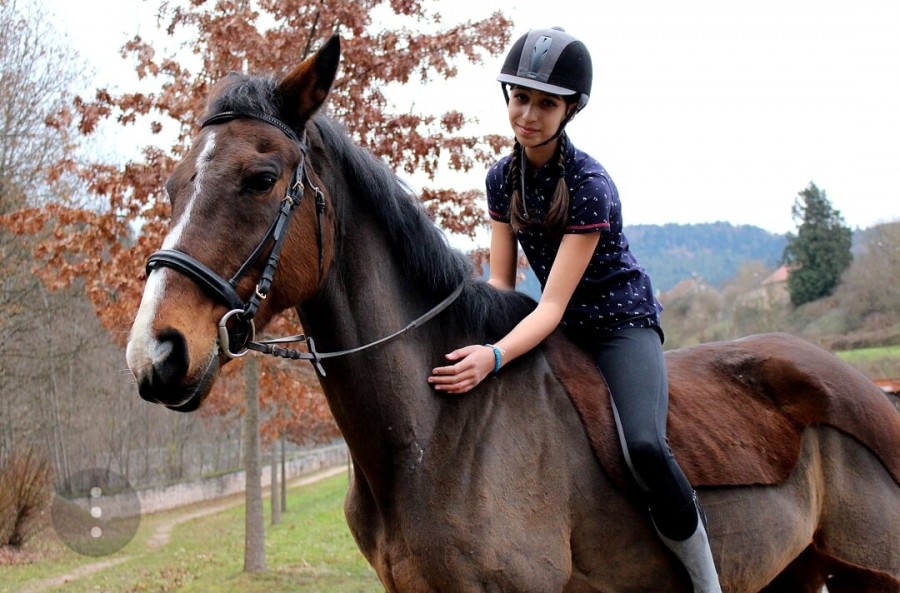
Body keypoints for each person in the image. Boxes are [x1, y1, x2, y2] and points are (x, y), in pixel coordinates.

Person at [427, 27, 723, 593]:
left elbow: (553, 303)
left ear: (570, 110)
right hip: (550, 324)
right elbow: (501, 285)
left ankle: (705, 577)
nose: (529, 114)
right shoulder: (499, 178)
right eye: (520, 98)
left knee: (644, 445)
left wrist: (493, 356)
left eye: (546, 103)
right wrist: (476, 340)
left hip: (618, 326)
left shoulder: (590, 185)